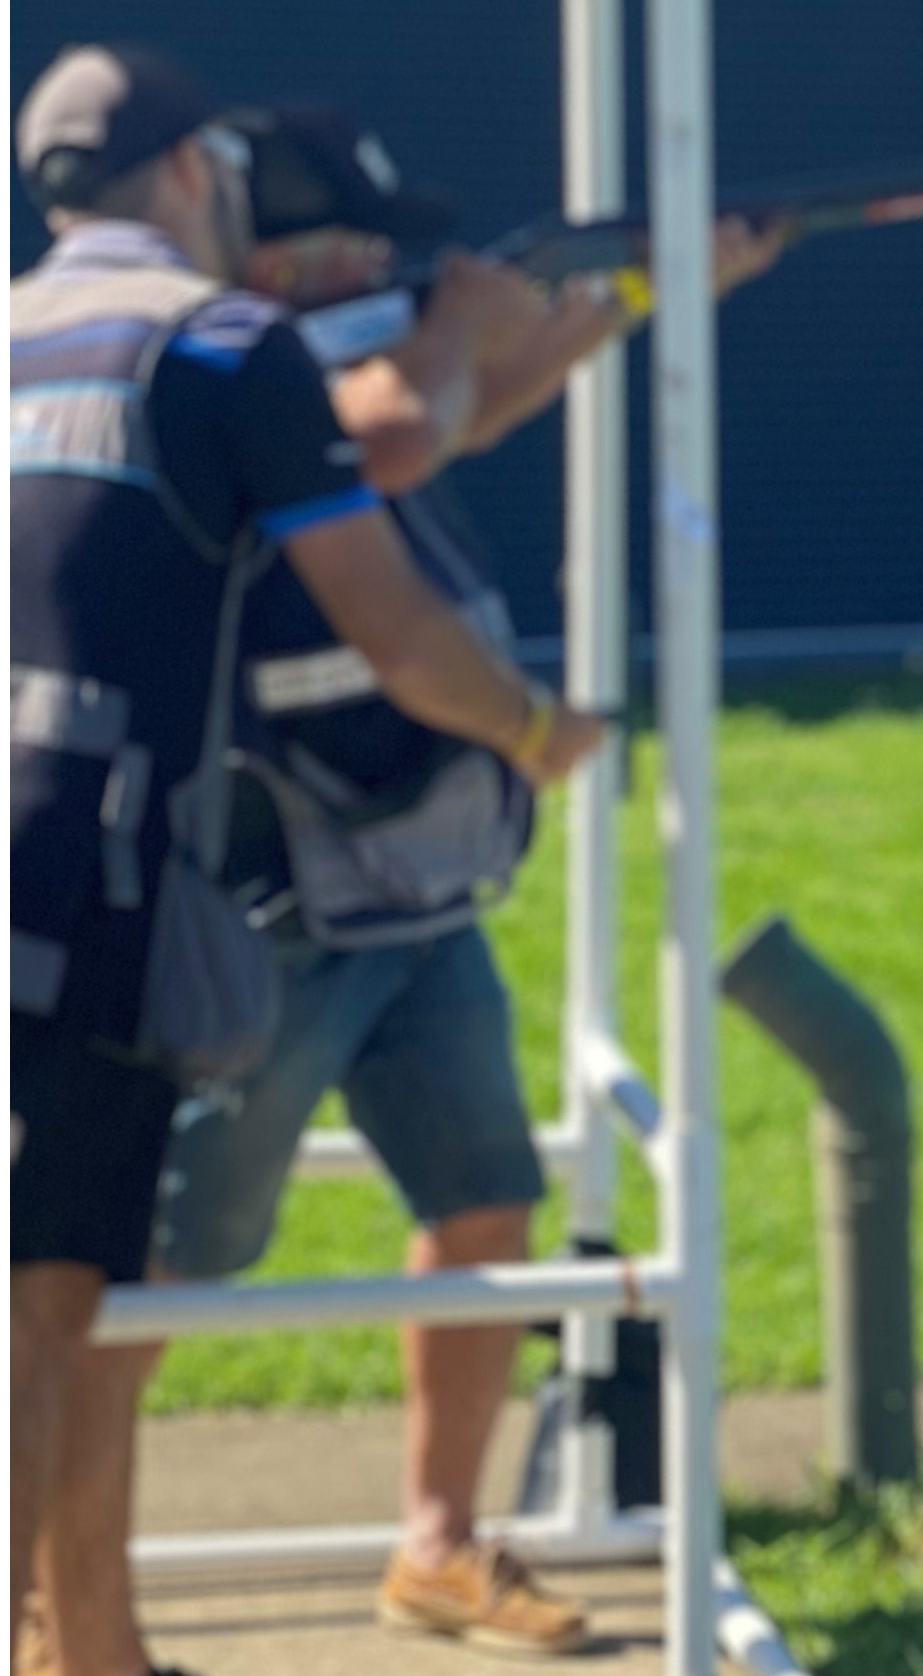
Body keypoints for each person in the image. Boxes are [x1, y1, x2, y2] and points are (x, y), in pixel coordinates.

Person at [23, 101, 784, 1674]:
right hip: (267, 890)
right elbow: (403, 426)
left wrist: (635, 298)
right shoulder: (248, 373)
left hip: (412, 880)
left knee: (482, 1196)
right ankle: (67, 1605)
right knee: (141, 1269)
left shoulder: (340, 358)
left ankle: (434, 1544)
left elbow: (472, 397)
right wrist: (450, 334)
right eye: (360, 245)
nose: (386, 262)